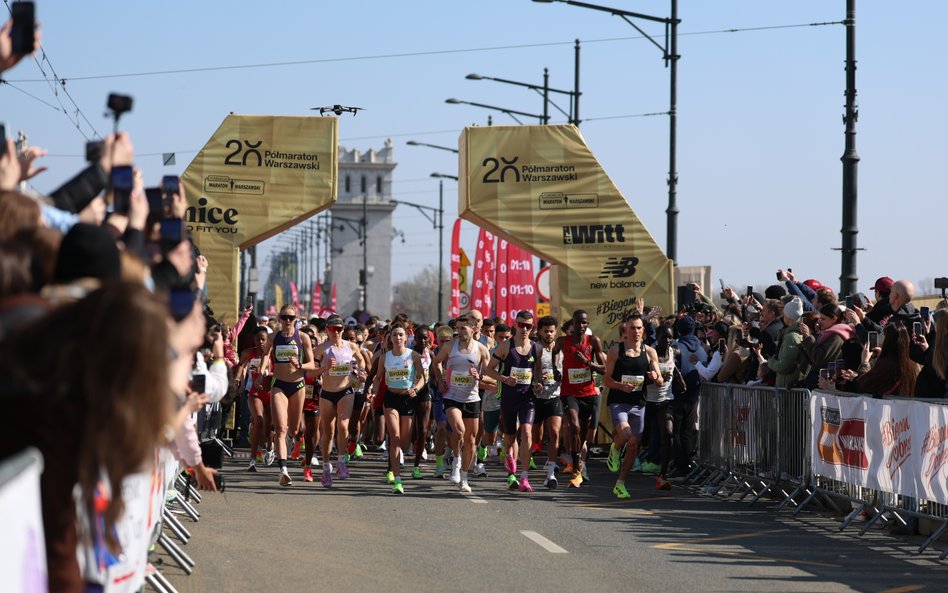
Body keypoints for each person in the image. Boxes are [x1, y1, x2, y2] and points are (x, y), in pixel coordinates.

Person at [602, 312, 664, 498]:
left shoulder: (650, 352)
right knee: (626, 434)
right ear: (625, 330)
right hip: (619, 402)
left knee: (633, 445)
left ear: (643, 330)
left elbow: (660, 379)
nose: (636, 331)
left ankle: (620, 483)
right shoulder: (616, 351)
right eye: (632, 328)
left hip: (639, 404)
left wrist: (655, 377)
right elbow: (606, 379)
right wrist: (621, 386)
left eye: (639, 328)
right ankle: (614, 448)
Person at [431, 315, 490, 493]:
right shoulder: (450, 346)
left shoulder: (481, 349)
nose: (460, 331)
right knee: (459, 430)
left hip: (472, 398)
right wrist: (441, 382)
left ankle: (464, 477)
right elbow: (436, 362)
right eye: (458, 328)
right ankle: (456, 461)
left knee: (471, 441)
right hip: (452, 396)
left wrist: (479, 376)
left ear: (473, 328)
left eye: (464, 328)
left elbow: (488, 374)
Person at [486, 310, 543, 492]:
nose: (524, 329)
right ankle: (509, 462)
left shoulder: (537, 348)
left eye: (528, 326)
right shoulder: (505, 347)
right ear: (515, 325)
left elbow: (538, 373)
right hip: (509, 398)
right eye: (521, 325)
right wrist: (504, 379)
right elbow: (489, 370)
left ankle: (524, 477)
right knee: (510, 438)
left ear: (532, 327)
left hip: (528, 398)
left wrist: (539, 383)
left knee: (526, 432)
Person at [262, 304, 316, 487]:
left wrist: (299, 364)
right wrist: (263, 370)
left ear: (296, 319)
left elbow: (311, 365)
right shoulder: (273, 337)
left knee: (293, 429)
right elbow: (265, 354)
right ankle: (283, 471)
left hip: (297, 386)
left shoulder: (303, 337)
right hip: (279, 385)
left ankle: (295, 439)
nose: (287, 321)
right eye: (284, 317)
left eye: (291, 318)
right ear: (279, 318)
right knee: (280, 429)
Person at [553, 309, 606, 488]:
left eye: (584, 323)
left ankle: (578, 463)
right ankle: (576, 467)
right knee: (573, 426)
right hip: (569, 392)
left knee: (583, 434)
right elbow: (554, 352)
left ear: (587, 324)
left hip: (588, 393)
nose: (581, 326)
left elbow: (604, 369)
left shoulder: (593, 341)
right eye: (578, 322)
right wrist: (555, 371)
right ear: (573, 324)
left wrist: (587, 362)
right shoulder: (562, 341)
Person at [315, 314, 368, 487]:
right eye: (332, 329)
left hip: (346, 390)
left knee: (343, 426)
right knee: (328, 433)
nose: (336, 332)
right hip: (327, 393)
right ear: (327, 330)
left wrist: (360, 372)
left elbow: (361, 361)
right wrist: (324, 368)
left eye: (339, 329)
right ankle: (325, 468)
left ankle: (341, 462)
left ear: (343, 330)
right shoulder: (322, 348)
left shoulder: (350, 346)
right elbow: (311, 370)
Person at [376, 324, 425, 493]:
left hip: (407, 400)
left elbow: (421, 377)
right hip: (390, 398)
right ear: (390, 338)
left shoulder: (414, 356)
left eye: (401, 335)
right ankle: (397, 479)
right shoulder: (385, 357)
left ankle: (398, 460)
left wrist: (416, 389)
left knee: (404, 444)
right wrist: (372, 392)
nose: (397, 338)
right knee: (395, 437)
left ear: (406, 338)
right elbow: (378, 378)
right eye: (395, 335)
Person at [533, 315, 564, 488]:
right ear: (539, 332)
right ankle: (524, 462)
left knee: (554, 432)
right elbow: (529, 371)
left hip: (555, 396)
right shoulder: (535, 349)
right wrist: (536, 383)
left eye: (552, 331)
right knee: (536, 437)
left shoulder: (561, 350)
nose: (549, 335)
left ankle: (551, 474)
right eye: (546, 331)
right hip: (537, 397)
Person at [237, 326, 273, 471]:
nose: (260, 342)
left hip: (271, 393)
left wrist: (267, 374)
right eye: (258, 339)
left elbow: (280, 372)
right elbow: (241, 365)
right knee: (258, 420)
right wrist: (238, 381)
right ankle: (252, 460)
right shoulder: (248, 353)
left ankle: (270, 446)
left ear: (267, 340)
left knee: (269, 427)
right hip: (255, 393)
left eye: (263, 339)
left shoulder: (272, 355)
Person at [765, 297, 808, 388]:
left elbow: (784, 366)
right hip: (788, 385)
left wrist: (770, 362)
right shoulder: (794, 334)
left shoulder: (791, 337)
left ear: (788, 316)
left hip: (787, 387)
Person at [409, 325, 434, 479]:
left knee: (423, 430)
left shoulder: (430, 353)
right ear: (415, 339)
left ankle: (416, 466)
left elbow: (434, 373)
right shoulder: (408, 354)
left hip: (424, 393)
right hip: (408, 393)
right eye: (420, 338)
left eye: (426, 338)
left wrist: (442, 384)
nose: (423, 341)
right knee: (409, 430)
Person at [913, 309, 948, 397]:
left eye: (934, 322)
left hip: (937, 402)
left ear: (940, 325)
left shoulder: (945, 346)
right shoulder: (940, 342)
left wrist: (927, 350)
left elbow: (937, 374)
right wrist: (928, 335)